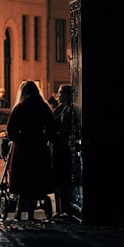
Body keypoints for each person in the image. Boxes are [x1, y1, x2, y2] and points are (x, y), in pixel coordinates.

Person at [5, 80, 54, 221]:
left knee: (23, 179)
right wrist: (44, 138)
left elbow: (11, 129)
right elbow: (51, 129)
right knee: (35, 179)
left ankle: (19, 212)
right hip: (39, 146)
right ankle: (31, 212)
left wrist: (19, 139)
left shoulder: (20, 107)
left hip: (23, 147)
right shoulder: (44, 107)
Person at [50, 84, 74, 219]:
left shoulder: (69, 109)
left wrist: (56, 135)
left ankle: (64, 209)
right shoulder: (59, 108)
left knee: (63, 180)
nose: (58, 95)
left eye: (60, 93)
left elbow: (65, 129)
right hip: (56, 147)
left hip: (62, 148)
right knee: (57, 180)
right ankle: (58, 209)